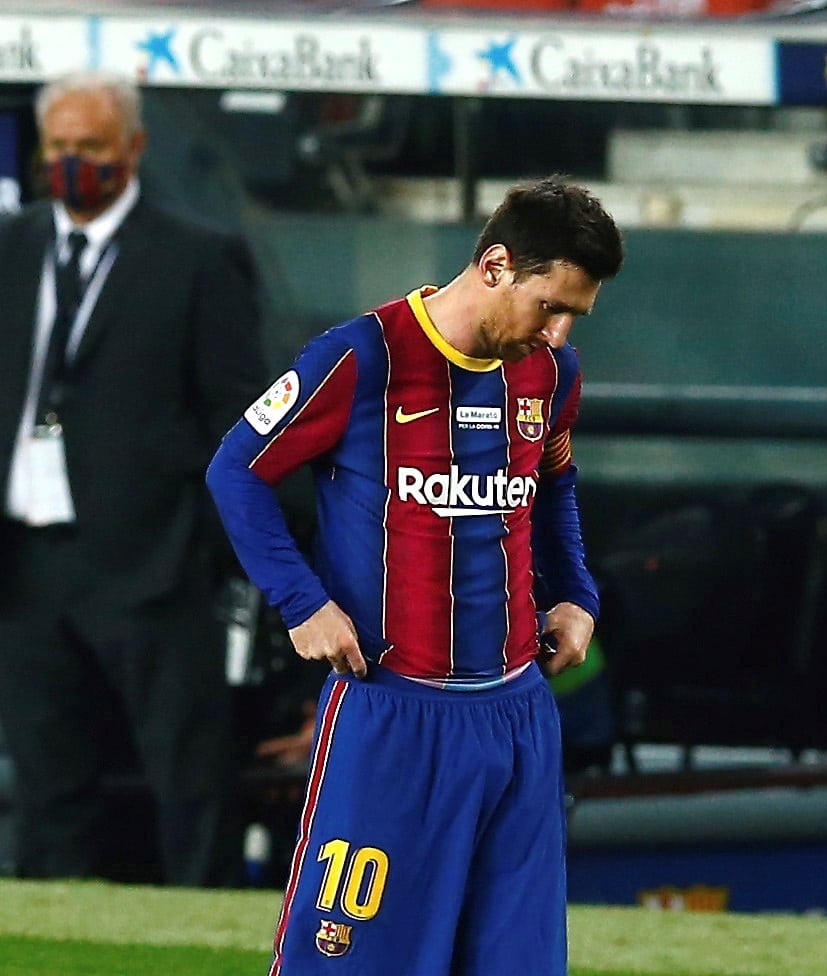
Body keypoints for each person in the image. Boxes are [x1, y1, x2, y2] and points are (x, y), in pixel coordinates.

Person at [206, 176, 623, 974]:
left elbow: (555, 483)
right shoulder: (363, 355)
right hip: (391, 709)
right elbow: (238, 470)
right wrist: (303, 603)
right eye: (550, 306)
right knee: (351, 961)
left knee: (514, 962)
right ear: (496, 264)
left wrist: (575, 593)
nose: (561, 332)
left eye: (576, 315)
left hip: (515, 716)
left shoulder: (549, 377)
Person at [0, 70, 265, 885]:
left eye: (92, 146)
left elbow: (237, 417)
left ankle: (201, 936)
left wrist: (216, 557)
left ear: (134, 148)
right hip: (25, 566)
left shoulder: (198, 257)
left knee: (188, 783)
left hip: (150, 565)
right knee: (47, 786)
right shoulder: (11, 249)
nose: (73, 162)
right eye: (60, 147)